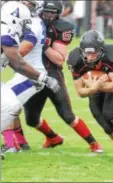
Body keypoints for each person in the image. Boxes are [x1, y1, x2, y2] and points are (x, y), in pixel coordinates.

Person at [16, 1, 103, 153]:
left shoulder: (62, 27)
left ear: (59, 13)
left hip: (52, 74)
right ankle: (53, 138)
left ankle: (94, 144)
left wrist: (42, 44)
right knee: (31, 119)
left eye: (53, 12)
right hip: (32, 75)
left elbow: (59, 59)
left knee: (67, 115)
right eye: (47, 12)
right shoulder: (31, 22)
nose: (49, 15)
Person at [67, 30, 113, 160]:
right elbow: (80, 92)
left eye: (94, 52)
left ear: (101, 50)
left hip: (110, 89)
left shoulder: (112, 54)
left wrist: (96, 87)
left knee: (109, 113)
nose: (90, 57)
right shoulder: (74, 59)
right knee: (106, 126)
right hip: (94, 91)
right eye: (87, 53)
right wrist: (94, 88)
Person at [1, 1, 59, 158]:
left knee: (9, 106)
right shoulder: (14, 21)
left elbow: (21, 54)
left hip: (30, 75)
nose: (25, 3)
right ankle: (16, 143)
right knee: (9, 107)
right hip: (25, 73)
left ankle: (12, 144)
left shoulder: (32, 23)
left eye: (30, 2)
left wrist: (6, 58)